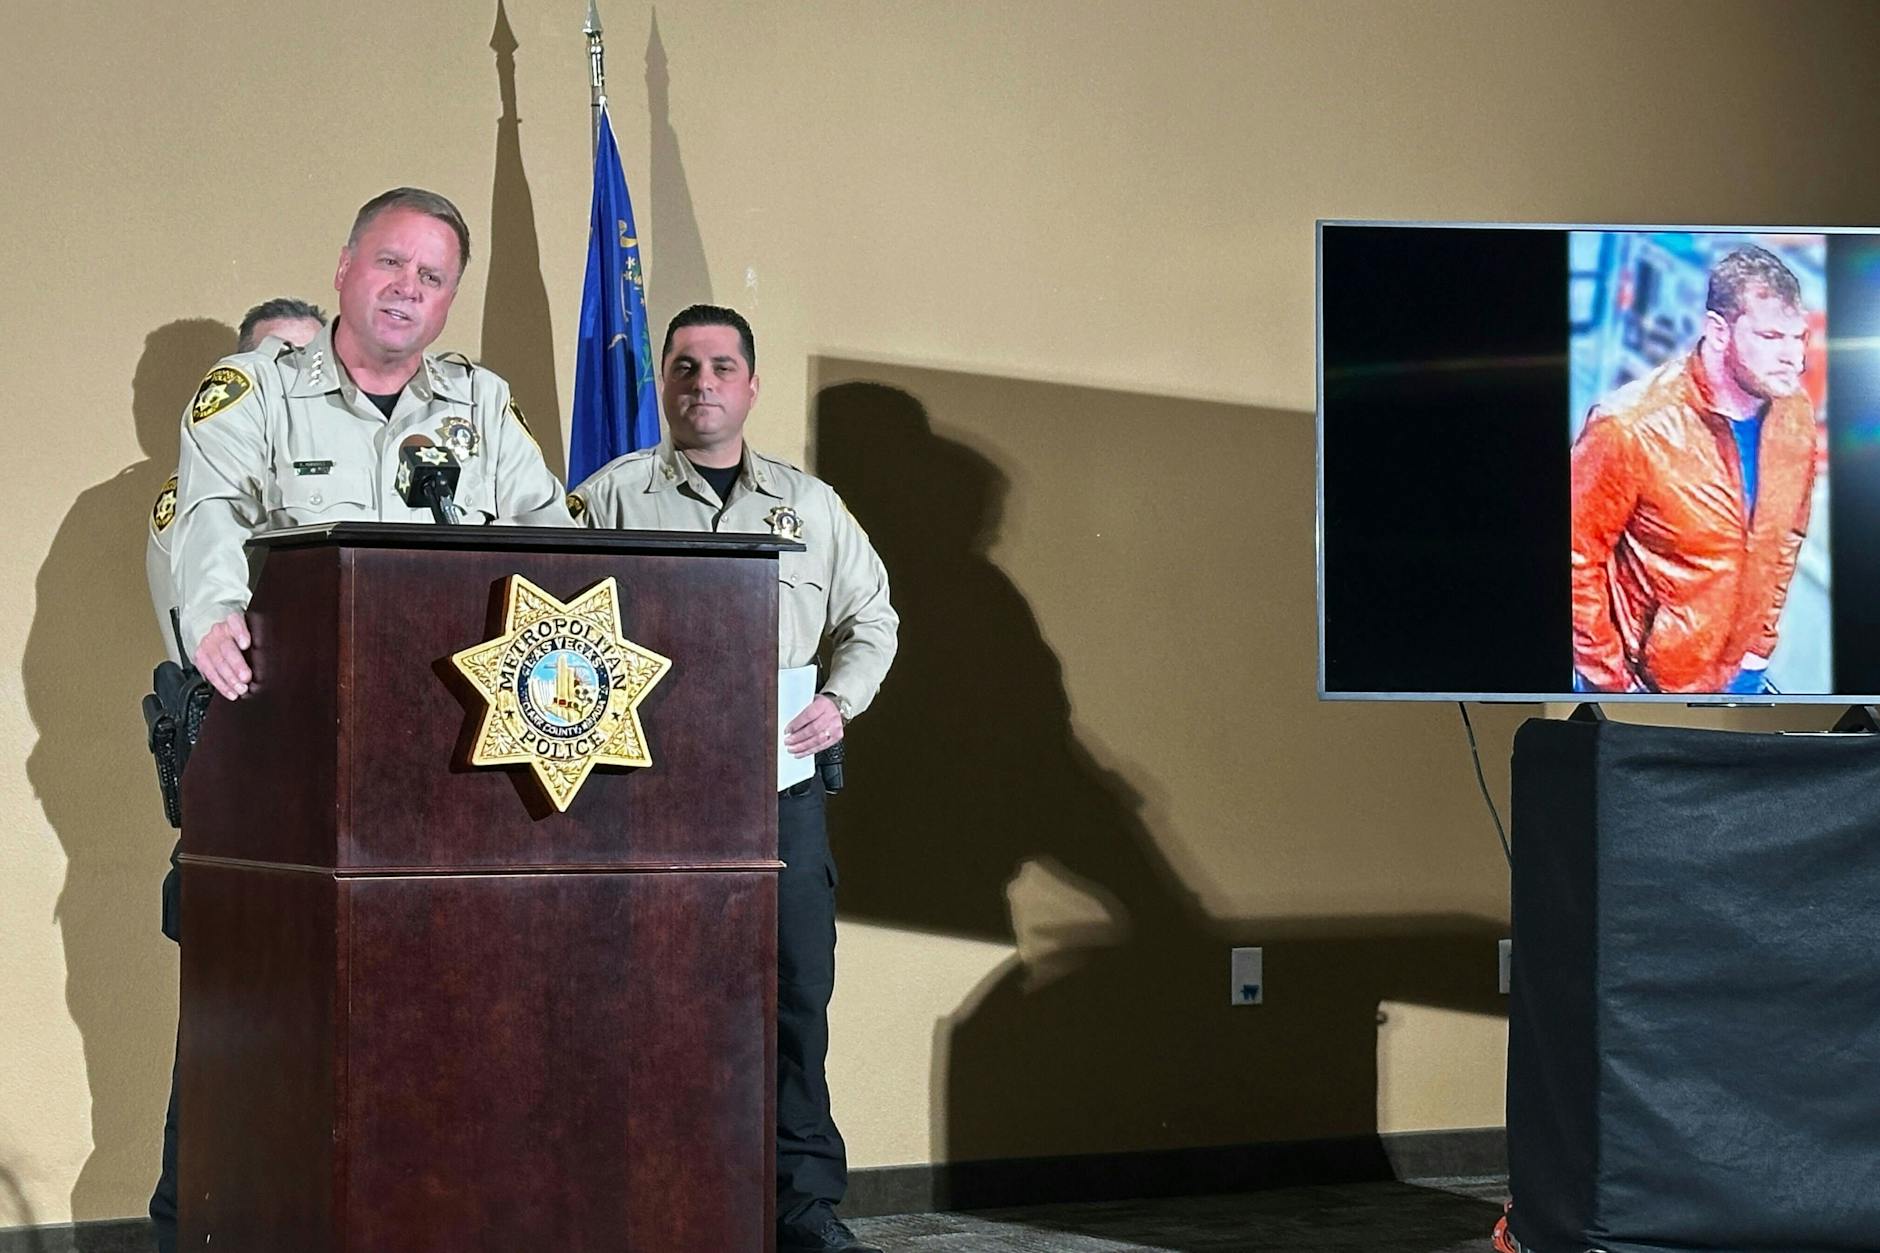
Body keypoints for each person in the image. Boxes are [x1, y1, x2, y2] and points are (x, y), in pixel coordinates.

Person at [571, 305, 897, 1253]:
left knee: (797, 1000)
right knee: (649, 1001)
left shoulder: (812, 506)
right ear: (661, 384)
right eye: (683, 366)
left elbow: (873, 621)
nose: (701, 383)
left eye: (721, 367)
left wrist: (839, 703)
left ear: (752, 385)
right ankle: (653, 1195)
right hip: (646, 806)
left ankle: (801, 1206)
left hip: (777, 797)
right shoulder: (614, 496)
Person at [172, 187, 573, 701]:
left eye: (432, 277)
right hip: (302, 697)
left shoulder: (483, 403)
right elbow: (213, 515)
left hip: (458, 701)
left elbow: (555, 550)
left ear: (448, 301)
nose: (408, 288)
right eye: (391, 262)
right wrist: (216, 616)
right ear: (343, 269)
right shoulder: (258, 392)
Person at [145, 298, 328, 1253]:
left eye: (306, 361)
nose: (289, 381)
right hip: (239, 803)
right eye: (272, 360)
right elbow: (207, 612)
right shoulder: (196, 496)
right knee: (224, 1046)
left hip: (333, 807)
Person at [1570, 245, 1818, 694]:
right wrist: (1613, 682)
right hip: (1648, 687)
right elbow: (1573, 558)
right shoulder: (1630, 426)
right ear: (1718, 331)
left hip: (1742, 675)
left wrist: (1758, 649)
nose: (1793, 358)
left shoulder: (1795, 416)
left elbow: (1787, 538)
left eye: (1798, 337)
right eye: (1770, 338)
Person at [148, 298, 328, 662]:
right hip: (245, 695)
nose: (298, 373)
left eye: (313, 359)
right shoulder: (200, 483)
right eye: (283, 358)